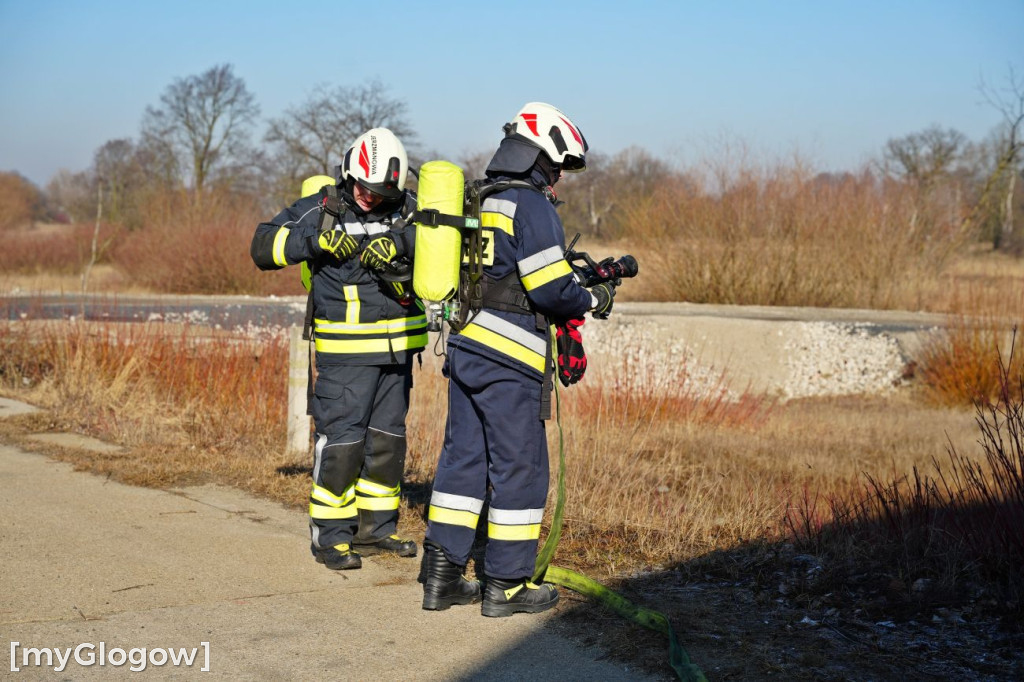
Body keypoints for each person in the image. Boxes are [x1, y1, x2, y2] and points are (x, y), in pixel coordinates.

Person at [420, 103, 616, 616]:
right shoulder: (531, 207)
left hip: (465, 348)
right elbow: (551, 289)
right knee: (520, 467)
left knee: (462, 461)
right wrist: (593, 299)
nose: (557, 179)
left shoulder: (483, 198)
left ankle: (440, 578)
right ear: (539, 158)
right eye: (555, 168)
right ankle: (505, 586)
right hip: (510, 360)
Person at [250, 128, 426, 570]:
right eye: (364, 189)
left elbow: (438, 239)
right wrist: (314, 242)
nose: (369, 197)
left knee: (387, 444)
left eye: (380, 191)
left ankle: (375, 530)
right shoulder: (324, 207)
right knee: (343, 443)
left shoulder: (406, 209)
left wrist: (400, 242)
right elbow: (261, 246)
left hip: (398, 352)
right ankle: (331, 537)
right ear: (349, 175)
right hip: (345, 356)